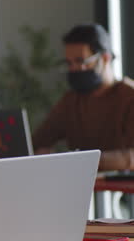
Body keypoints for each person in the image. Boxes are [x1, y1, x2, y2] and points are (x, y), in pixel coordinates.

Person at [32, 23, 134, 170]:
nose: (74, 69)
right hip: (82, 185)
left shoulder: (129, 97)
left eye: (80, 61)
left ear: (105, 58)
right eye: (69, 63)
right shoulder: (71, 101)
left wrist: (77, 160)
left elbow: (131, 157)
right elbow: (39, 141)